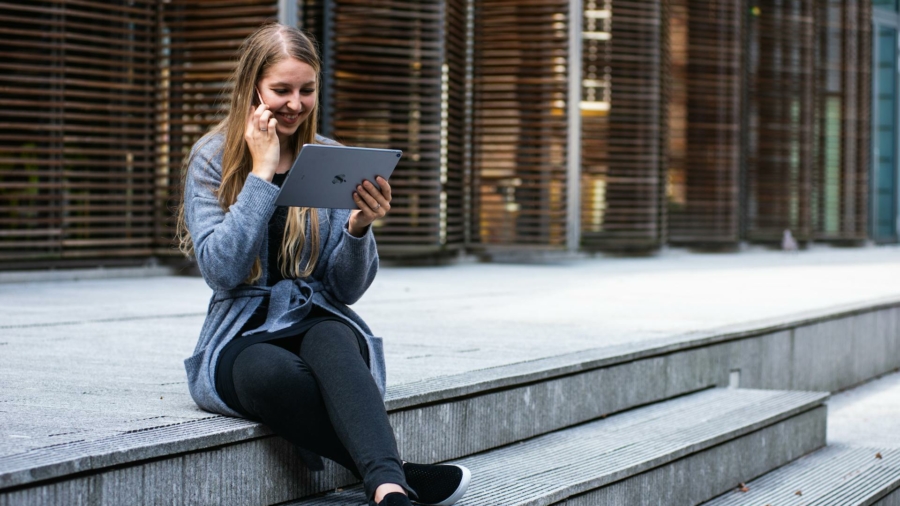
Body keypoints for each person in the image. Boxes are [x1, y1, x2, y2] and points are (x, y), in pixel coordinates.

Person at [176, 22, 470, 506]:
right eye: (281, 90)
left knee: (335, 339)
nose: (294, 103)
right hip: (240, 330)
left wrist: (358, 229)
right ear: (254, 88)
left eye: (306, 90)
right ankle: (395, 473)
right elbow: (221, 271)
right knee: (272, 375)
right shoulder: (212, 157)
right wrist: (262, 172)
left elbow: (345, 290)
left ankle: (389, 492)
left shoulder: (331, 158)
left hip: (316, 315)